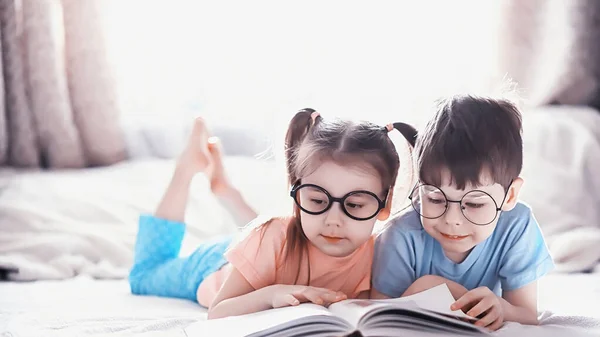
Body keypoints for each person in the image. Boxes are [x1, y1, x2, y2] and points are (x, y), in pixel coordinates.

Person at [128, 108, 417, 319]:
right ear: (297, 194)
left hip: (261, 249)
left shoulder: (386, 251)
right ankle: (186, 169)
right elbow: (218, 311)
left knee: (270, 234)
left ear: (384, 205)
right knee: (145, 274)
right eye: (317, 201)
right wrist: (271, 294)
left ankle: (226, 190)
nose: (333, 219)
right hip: (214, 266)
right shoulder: (272, 235)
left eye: (354, 206)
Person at [371, 95, 555, 331]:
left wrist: (501, 307)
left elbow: (528, 315)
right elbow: (377, 313)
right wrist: (425, 289)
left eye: (475, 204)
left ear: (509, 196)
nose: (452, 220)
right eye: (435, 198)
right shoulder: (401, 235)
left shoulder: (517, 226)